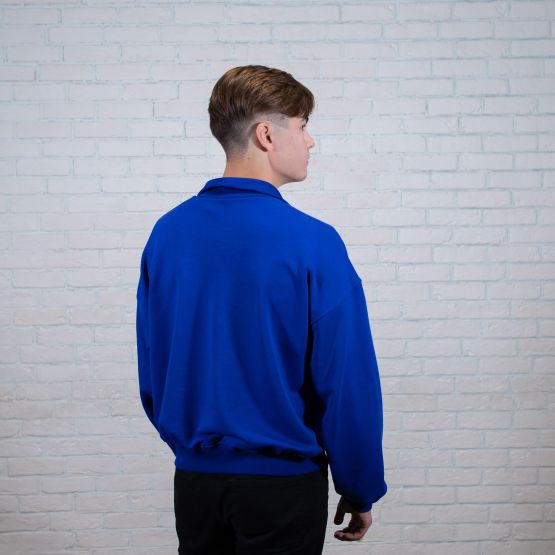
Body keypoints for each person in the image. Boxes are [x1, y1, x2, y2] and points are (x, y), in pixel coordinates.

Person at [135, 64, 387, 555]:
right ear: (267, 134)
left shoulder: (167, 234)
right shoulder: (313, 242)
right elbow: (345, 380)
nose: (310, 141)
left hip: (196, 486)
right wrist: (359, 486)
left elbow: (153, 364)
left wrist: (196, 449)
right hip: (282, 489)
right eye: (304, 126)